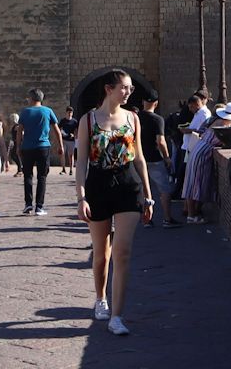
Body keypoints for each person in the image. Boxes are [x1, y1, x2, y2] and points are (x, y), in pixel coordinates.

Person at [75, 69, 155, 336]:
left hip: (127, 186)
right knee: (101, 255)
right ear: (109, 89)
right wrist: (81, 197)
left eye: (131, 88)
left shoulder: (133, 119)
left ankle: (117, 317)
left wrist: (148, 194)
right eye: (124, 87)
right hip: (98, 186)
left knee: (122, 253)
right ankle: (101, 298)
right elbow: (82, 162)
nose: (129, 92)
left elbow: (140, 158)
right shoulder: (87, 120)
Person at [183, 101, 231, 221]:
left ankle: (192, 213)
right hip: (203, 153)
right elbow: (226, 142)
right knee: (196, 183)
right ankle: (192, 215)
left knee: (193, 182)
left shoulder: (217, 121)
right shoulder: (224, 126)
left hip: (199, 149)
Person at [17, 88, 63, 215]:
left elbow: (20, 131)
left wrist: (18, 146)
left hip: (27, 147)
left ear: (31, 98)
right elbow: (56, 130)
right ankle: (39, 206)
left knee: (28, 175)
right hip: (43, 147)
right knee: (42, 176)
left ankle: (28, 204)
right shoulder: (48, 111)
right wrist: (60, 145)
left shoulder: (25, 112)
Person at [136, 91, 177, 227]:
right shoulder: (157, 119)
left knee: (142, 189)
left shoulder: (135, 117)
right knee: (164, 189)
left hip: (138, 158)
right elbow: (161, 141)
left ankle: (146, 219)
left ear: (143, 102)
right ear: (156, 103)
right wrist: (167, 158)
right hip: (154, 157)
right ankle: (167, 219)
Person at [58, 106, 79, 174]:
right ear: (66, 113)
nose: (70, 114)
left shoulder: (74, 122)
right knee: (62, 154)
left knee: (71, 155)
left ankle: (71, 169)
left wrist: (74, 135)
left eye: (71, 112)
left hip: (71, 140)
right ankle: (63, 169)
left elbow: (77, 131)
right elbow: (58, 129)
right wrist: (61, 132)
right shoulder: (63, 121)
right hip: (63, 140)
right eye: (68, 112)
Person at [6, 111, 23, 175]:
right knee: (14, 155)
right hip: (15, 142)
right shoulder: (15, 126)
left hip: (17, 142)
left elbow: (21, 133)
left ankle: (20, 169)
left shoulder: (17, 126)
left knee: (15, 155)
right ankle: (20, 169)